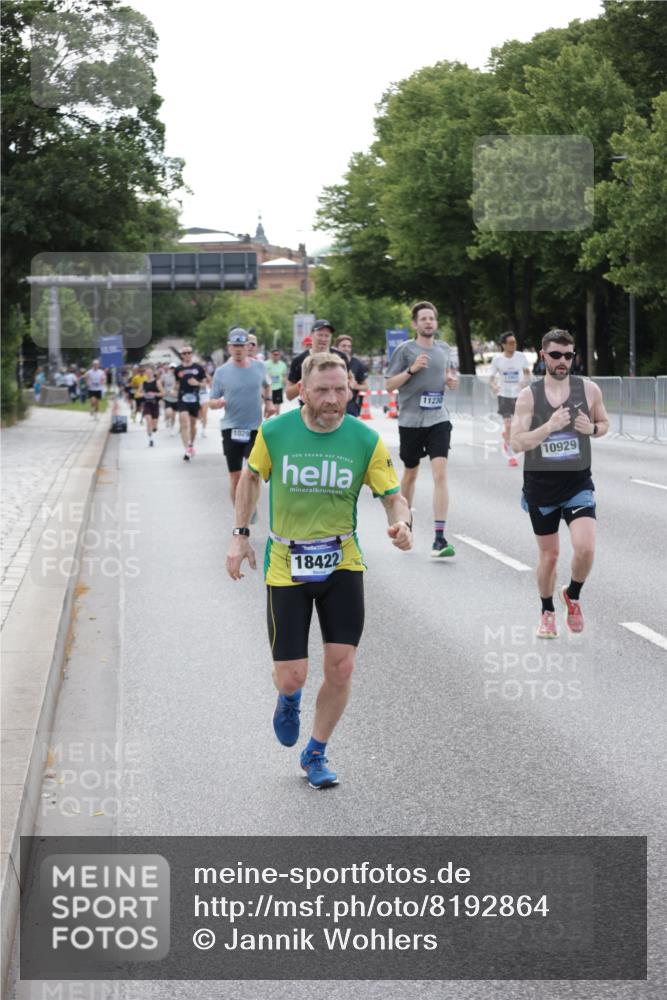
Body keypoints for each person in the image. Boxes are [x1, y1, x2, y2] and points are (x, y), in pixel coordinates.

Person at [226, 352, 412, 788]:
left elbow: (392, 495)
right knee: (293, 674)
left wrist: (402, 522)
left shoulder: (365, 439)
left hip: (341, 561)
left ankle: (316, 752)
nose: (333, 399)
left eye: (341, 390)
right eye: (323, 390)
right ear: (303, 391)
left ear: (351, 388)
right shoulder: (274, 432)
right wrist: (239, 534)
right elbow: (251, 479)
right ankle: (288, 697)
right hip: (286, 563)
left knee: (342, 667)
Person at [510, 329, 610, 639]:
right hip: (541, 487)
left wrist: (592, 428)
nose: (563, 361)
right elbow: (516, 442)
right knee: (549, 556)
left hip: (577, 483)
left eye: (568, 355)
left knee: (585, 548)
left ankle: (573, 595)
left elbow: (604, 423)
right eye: (556, 355)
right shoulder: (530, 395)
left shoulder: (589, 390)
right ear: (544, 356)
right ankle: (547, 611)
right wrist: (549, 427)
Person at [384, 301, 458, 559]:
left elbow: (446, 378)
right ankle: (406, 525)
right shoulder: (405, 351)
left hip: (438, 419)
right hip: (411, 422)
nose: (428, 322)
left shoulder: (444, 349)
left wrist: (450, 382)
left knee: (440, 474)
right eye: (423, 319)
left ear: (436, 323)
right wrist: (411, 370)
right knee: (411, 473)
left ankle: (439, 538)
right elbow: (389, 385)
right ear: (415, 324)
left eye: (432, 318)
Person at [209, 328, 274, 504]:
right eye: (234, 346)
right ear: (229, 347)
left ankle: (250, 506)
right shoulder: (221, 372)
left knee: (253, 474)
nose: (238, 350)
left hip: (254, 428)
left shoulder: (259, 367)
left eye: (241, 346)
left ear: (248, 347)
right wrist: (217, 403)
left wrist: (269, 402)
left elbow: (268, 386)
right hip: (231, 428)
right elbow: (211, 400)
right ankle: (240, 516)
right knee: (235, 477)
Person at [489, 332, 531, 467]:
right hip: (504, 395)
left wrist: (524, 382)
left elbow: (526, 373)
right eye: (510, 343)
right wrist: (494, 386)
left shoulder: (520, 357)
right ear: (504, 345)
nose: (513, 345)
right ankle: (511, 455)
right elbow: (491, 378)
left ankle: (507, 435)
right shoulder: (497, 359)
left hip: (519, 395)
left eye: (515, 342)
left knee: (516, 425)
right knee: (508, 424)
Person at [285, 321, 349, 402]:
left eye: (327, 336)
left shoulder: (341, 358)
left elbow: (348, 391)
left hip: (333, 407)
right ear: (311, 335)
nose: (323, 339)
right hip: (308, 410)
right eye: (320, 335)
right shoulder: (299, 360)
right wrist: (306, 380)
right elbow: (289, 395)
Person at [174, 346, 207, 461]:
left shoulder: (198, 368)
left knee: (192, 425)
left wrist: (196, 383)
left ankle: (191, 444)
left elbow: (205, 384)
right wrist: (173, 391)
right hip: (182, 399)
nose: (187, 355)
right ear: (181, 355)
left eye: (189, 353)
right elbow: (177, 384)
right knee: (184, 422)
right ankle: (187, 448)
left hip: (194, 399)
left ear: (192, 354)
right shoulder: (178, 369)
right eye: (185, 353)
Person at [335, 335, 369, 416]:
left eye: (349, 346)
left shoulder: (358, 364)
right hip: (332, 405)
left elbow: (366, 387)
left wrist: (355, 386)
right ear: (336, 347)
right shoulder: (330, 363)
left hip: (351, 408)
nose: (346, 348)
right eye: (343, 346)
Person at [140, 364, 163, 447]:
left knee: (154, 425)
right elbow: (138, 393)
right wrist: (143, 394)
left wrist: (154, 394)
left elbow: (163, 393)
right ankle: (150, 439)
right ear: (145, 374)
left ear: (153, 373)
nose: (149, 374)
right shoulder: (143, 383)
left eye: (150, 372)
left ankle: (154, 428)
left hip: (155, 404)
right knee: (148, 421)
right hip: (147, 404)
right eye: (147, 372)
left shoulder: (157, 382)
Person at [265, 348, 288, 414]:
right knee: (268, 408)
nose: (276, 356)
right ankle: (266, 422)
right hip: (268, 389)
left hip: (278, 388)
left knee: (277, 408)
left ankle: (277, 421)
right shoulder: (266, 363)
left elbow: (284, 376)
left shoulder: (283, 365)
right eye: (274, 354)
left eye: (278, 355)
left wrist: (285, 387)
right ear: (271, 355)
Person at [161, 363, 179, 432]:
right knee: (169, 412)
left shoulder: (179, 377)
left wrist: (176, 391)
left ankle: (172, 428)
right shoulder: (165, 376)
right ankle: (167, 419)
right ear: (169, 369)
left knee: (174, 416)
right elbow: (159, 383)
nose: (173, 370)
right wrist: (162, 391)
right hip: (167, 398)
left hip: (176, 399)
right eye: (171, 368)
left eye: (174, 368)